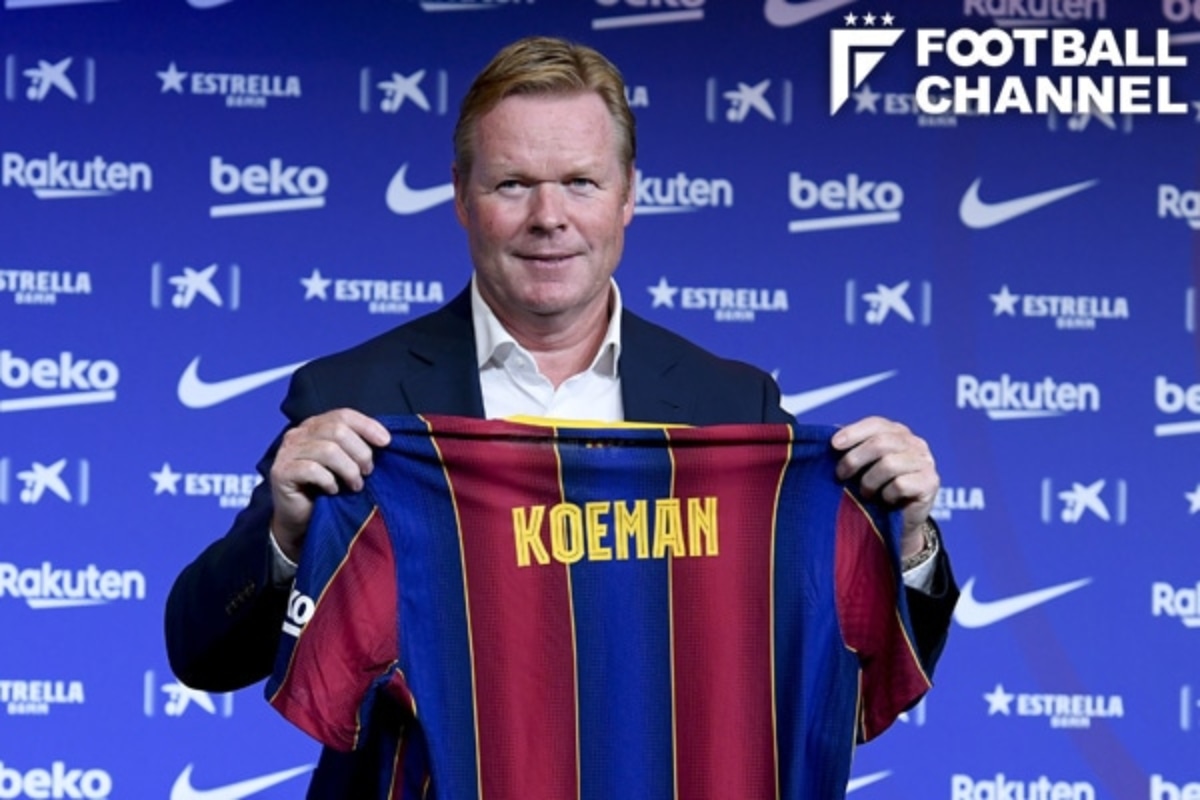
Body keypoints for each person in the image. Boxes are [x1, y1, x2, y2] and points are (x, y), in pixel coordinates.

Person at [165, 35, 957, 796]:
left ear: (628, 196)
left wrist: (909, 540)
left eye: (580, 182)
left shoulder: (732, 408)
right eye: (513, 184)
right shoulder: (357, 399)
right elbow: (203, 654)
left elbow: (855, 662)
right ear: (461, 197)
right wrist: (287, 535)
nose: (549, 216)